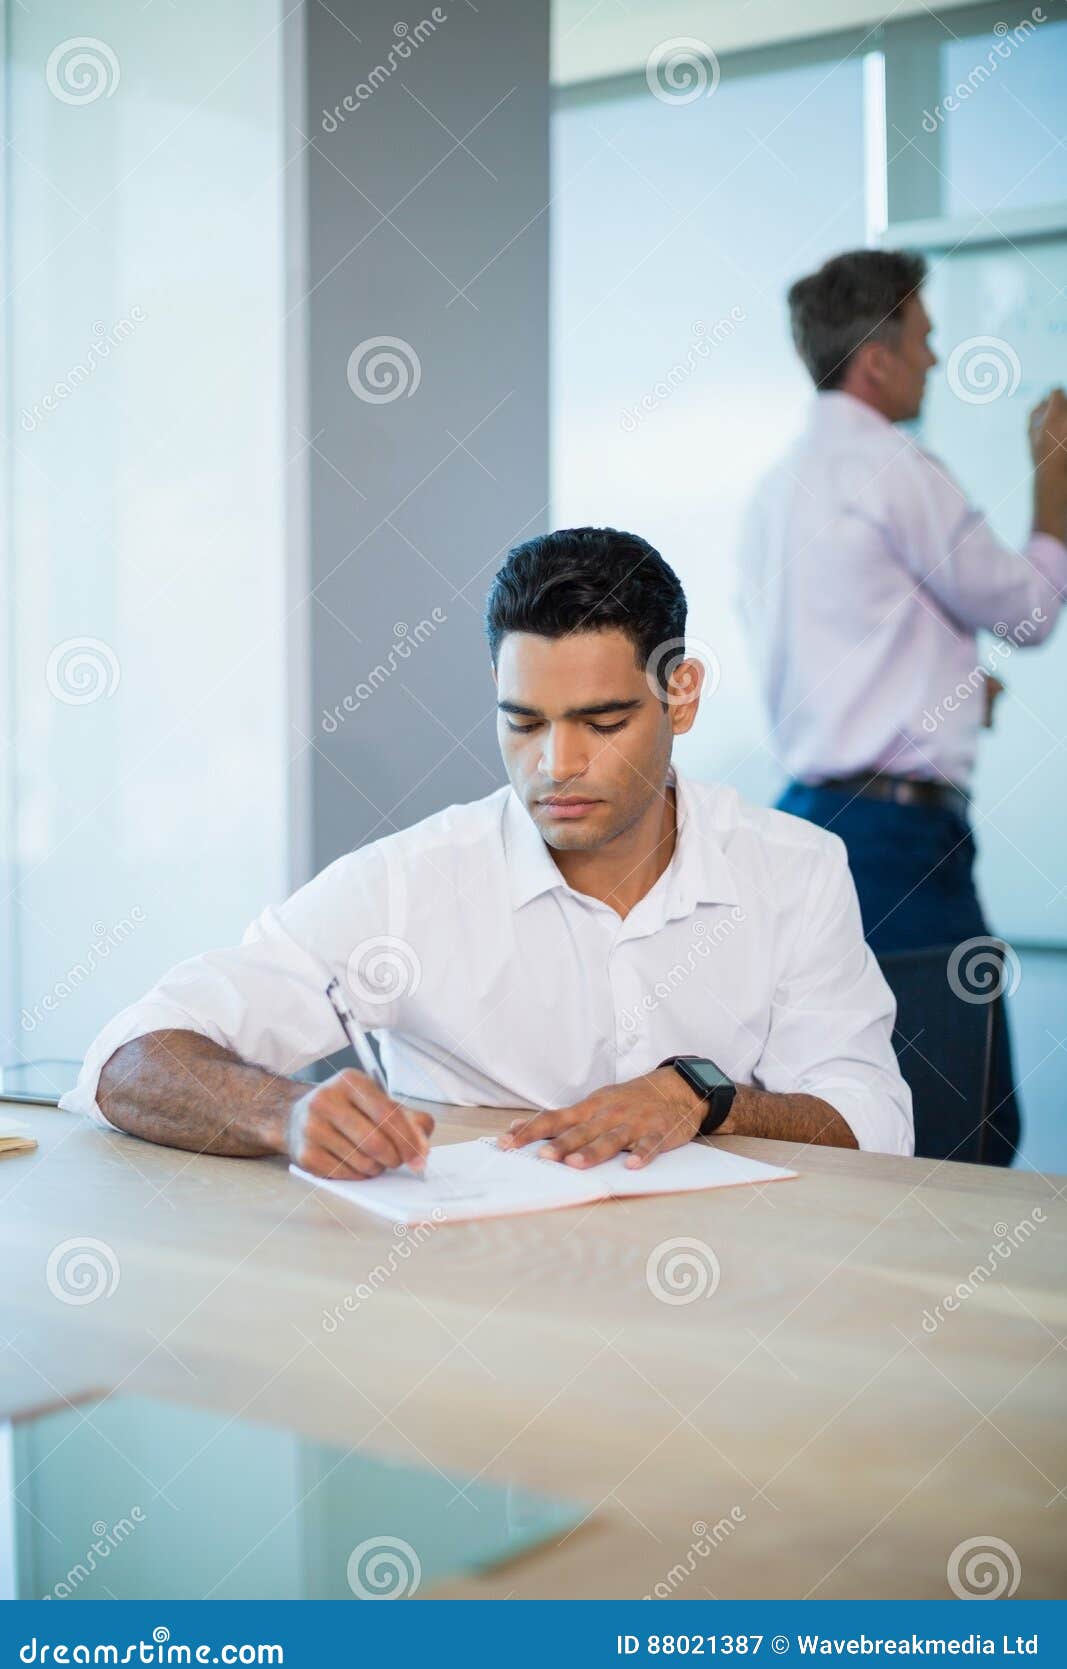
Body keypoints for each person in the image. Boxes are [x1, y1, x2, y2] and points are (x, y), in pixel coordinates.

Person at [62, 527, 913, 1176]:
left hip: (729, 1303)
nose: (556, 765)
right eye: (523, 722)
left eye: (602, 723)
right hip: (469, 1305)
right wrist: (283, 1115)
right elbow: (127, 1058)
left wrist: (703, 1099)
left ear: (680, 695)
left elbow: (873, 1119)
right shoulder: (408, 883)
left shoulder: (794, 869)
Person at [737, 248, 1067, 1166]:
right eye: (922, 338)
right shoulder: (895, 468)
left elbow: (844, 645)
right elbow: (1029, 611)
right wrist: (1053, 481)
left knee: (834, 1114)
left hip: (805, 820)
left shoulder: (776, 489)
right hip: (898, 844)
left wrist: (950, 687)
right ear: (874, 359)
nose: (934, 356)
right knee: (961, 1126)